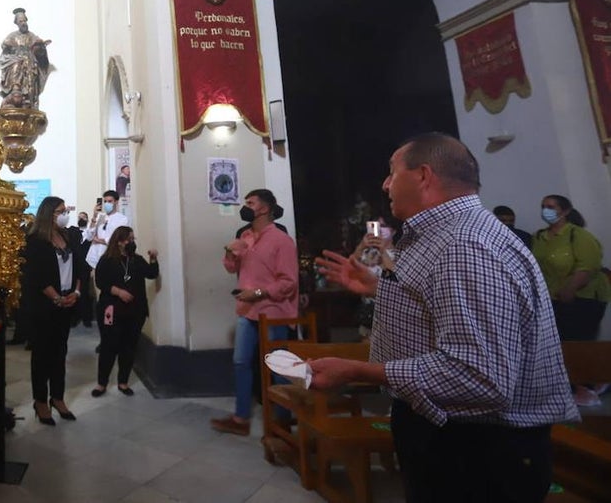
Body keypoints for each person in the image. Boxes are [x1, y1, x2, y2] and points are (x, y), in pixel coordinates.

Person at [312, 133, 578, 503]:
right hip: (454, 435)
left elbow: (477, 375)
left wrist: (359, 371)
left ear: (423, 175)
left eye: (392, 172)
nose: (385, 184)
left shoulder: (465, 245)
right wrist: (378, 287)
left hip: (477, 450)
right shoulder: (444, 234)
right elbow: (435, 302)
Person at [211, 189, 299, 436]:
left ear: (265, 208)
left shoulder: (281, 240)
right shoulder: (245, 236)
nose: (245, 206)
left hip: (274, 311)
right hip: (247, 310)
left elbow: (288, 282)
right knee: (241, 362)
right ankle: (241, 419)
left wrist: (258, 293)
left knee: (278, 366)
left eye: (251, 203)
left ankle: (282, 423)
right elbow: (232, 268)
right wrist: (229, 252)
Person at [532, 194, 609, 406]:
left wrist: (571, 289)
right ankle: (576, 385)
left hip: (584, 299)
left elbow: (588, 266)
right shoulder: (540, 237)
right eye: (543, 206)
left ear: (565, 211)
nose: (546, 210)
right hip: (553, 299)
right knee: (560, 343)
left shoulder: (579, 236)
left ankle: (587, 387)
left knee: (579, 342)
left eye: (551, 206)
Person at [22, 196, 85, 426]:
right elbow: (35, 275)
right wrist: (56, 298)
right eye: (61, 211)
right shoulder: (36, 241)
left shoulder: (67, 237)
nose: (65, 214)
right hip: (45, 306)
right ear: (49, 214)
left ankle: (57, 398)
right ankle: (40, 402)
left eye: (65, 210)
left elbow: (80, 268)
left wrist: (76, 292)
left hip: (67, 302)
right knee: (42, 355)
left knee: (60, 354)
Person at [92, 225, 158, 397]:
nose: (132, 242)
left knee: (128, 347)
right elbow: (100, 281)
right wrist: (118, 292)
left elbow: (151, 274)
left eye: (133, 239)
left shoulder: (136, 260)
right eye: (129, 239)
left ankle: (123, 382)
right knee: (108, 347)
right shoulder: (107, 260)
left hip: (135, 311)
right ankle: (101, 383)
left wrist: (153, 259)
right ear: (119, 241)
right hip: (112, 310)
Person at [0, 8, 51, 109]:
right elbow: (4, 45)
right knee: (17, 63)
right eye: (20, 21)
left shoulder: (32, 36)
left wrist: (40, 47)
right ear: (17, 23)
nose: (23, 23)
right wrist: (8, 45)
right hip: (15, 60)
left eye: (24, 21)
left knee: (29, 67)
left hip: (30, 62)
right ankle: (15, 88)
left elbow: (39, 49)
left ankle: (29, 98)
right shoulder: (12, 35)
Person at [84, 190, 129, 269]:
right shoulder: (99, 216)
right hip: (94, 259)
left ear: (116, 202)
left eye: (110, 201)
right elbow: (89, 237)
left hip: (111, 257)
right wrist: (94, 217)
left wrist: (98, 240)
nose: (107, 204)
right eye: (105, 201)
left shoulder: (122, 219)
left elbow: (118, 239)